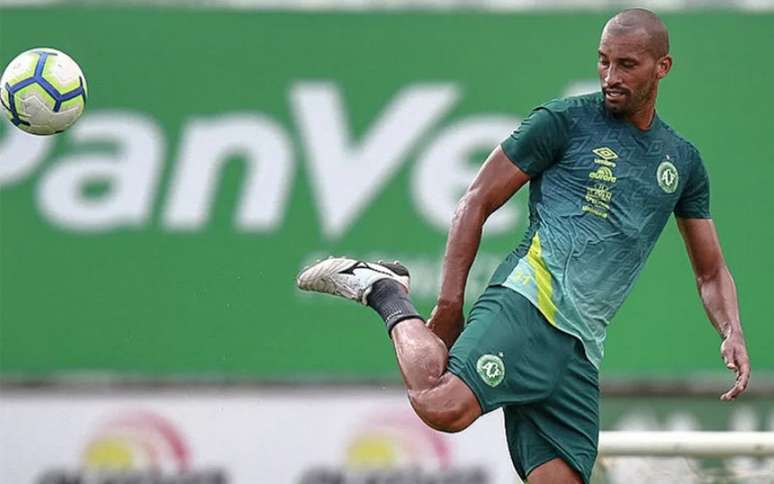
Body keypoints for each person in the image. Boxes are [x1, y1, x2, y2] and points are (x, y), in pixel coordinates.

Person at [297, 8, 751, 484]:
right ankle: (386, 289)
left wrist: (731, 328)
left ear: (663, 67)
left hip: (581, 349)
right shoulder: (564, 121)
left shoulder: (682, 162)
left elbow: (710, 271)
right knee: (441, 405)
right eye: (603, 62)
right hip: (531, 303)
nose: (611, 77)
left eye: (627, 65)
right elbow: (474, 202)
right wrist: (450, 304)